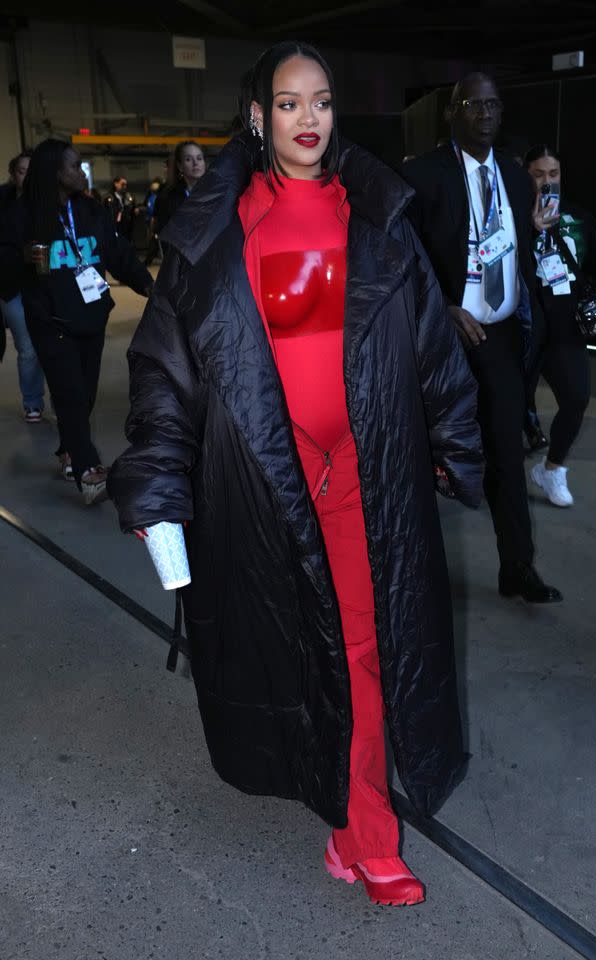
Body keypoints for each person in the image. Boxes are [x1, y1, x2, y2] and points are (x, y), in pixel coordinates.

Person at [107, 41, 484, 906]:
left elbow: (429, 347)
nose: (306, 118)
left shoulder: (377, 214)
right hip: (264, 485)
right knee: (313, 653)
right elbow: (167, 373)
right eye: (287, 103)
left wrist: (456, 443)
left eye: (319, 101)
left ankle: (364, 832)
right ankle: (354, 823)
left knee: (370, 649)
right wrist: (158, 490)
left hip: (367, 472)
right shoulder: (213, 231)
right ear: (256, 116)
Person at [402, 72, 562, 603]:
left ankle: (517, 567)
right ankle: (409, 576)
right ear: (452, 112)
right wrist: (441, 307)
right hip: (441, 338)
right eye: (475, 104)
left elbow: (517, 251)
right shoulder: (424, 177)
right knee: (423, 455)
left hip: (498, 339)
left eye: (494, 104)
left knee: (505, 453)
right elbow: (402, 258)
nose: (487, 113)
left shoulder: (518, 181)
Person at [0, 139, 153, 503]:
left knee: (83, 394)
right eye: (74, 166)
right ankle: (88, 470)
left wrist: (146, 283)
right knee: (69, 392)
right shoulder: (22, 216)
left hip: (90, 314)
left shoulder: (89, 210)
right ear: (54, 172)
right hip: (50, 320)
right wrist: (21, 257)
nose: (80, 172)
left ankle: (69, 449)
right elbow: (3, 267)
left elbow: (116, 252)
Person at [522, 144, 596, 507]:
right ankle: (494, 474)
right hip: (524, 325)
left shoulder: (579, 216)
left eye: (553, 174)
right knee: (508, 405)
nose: (546, 182)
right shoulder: (512, 215)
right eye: (538, 175)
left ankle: (551, 469)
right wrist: (532, 229)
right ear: (526, 175)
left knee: (577, 397)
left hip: (566, 326)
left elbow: (595, 258)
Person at [0, 151, 46, 422]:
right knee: (27, 347)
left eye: (31, 171)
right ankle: (32, 402)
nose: (26, 176)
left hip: (43, 285)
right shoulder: (3, 203)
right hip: (11, 286)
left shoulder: (47, 203)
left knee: (48, 344)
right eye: (21, 170)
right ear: (12, 173)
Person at [152, 141, 206, 236]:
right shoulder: (167, 199)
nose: (195, 163)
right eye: (188, 159)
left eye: (199, 158)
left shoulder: (217, 194)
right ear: (180, 166)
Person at [104, 176, 135, 240]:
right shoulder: (108, 197)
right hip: (114, 225)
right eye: (122, 184)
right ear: (116, 184)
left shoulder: (128, 196)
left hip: (126, 225)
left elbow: (132, 207)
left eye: (126, 185)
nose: (125, 187)